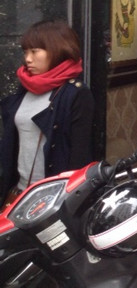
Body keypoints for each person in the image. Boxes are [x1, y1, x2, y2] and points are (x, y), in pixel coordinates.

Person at [0, 20, 95, 206]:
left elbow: (80, 156)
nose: (28, 59)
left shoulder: (75, 93)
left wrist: (69, 201)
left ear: (57, 50)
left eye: (34, 51)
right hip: (19, 193)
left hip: (53, 198)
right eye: (25, 52)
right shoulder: (24, 89)